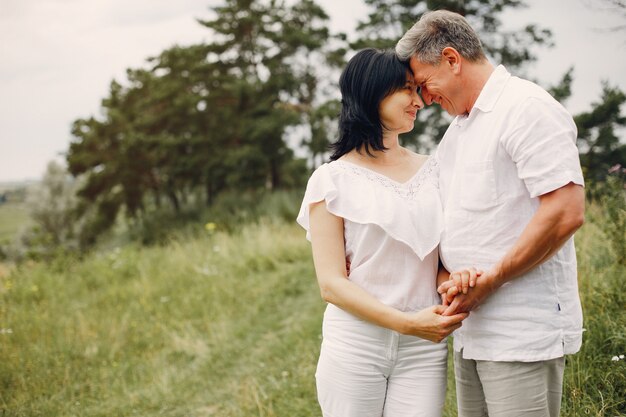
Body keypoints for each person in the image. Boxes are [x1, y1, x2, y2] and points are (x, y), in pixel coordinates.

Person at [396, 10, 586, 417]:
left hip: (520, 333)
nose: (425, 99)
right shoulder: (457, 132)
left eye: (425, 84)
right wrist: (452, 278)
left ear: (451, 59)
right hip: (470, 332)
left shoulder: (526, 108)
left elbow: (566, 211)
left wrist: (493, 279)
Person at [296, 48, 469, 417]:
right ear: (374, 93)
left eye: (416, 89)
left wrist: (451, 282)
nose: (419, 100)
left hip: (423, 348)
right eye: (406, 89)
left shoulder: (434, 170)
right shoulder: (331, 180)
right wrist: (407, 323)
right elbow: (331, 284)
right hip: (356, 344)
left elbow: (435, 260)